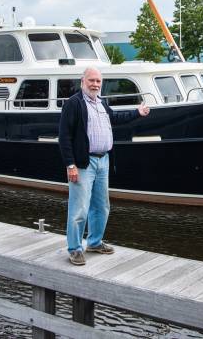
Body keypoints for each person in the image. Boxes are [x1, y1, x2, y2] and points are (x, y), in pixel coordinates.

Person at [58, 67, 150, 266]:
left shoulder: (101, 103)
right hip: (84, 163)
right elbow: (64, 136)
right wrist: (70, 164)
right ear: (82, 81)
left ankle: (94, 242)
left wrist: (138, 112)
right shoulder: (73, 104)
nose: (95, 84)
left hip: (103, 161)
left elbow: (115, 118)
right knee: (79, 208)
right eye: (91, 80)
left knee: (101, 206)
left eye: (98, 81)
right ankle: (74, 249)